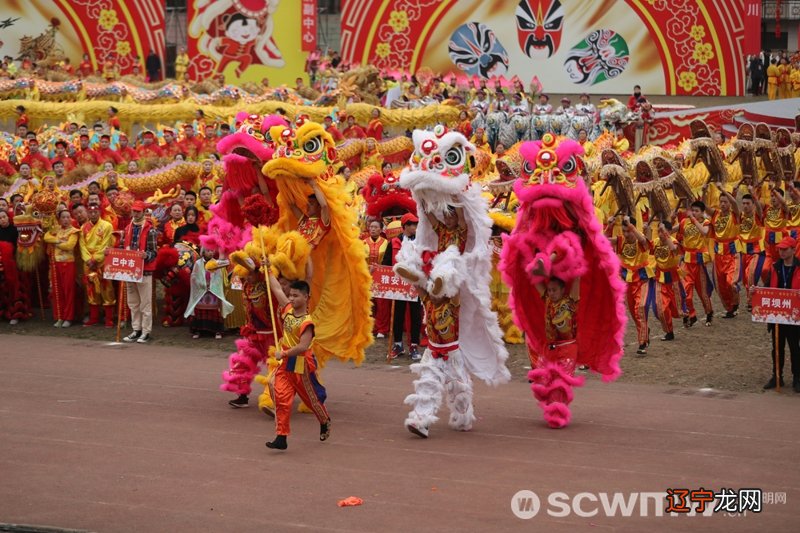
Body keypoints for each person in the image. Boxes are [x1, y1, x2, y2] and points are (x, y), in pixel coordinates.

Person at [264, 276, 331, 451]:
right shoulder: (287, 309)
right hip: (285, 363)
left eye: (296, 296)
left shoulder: (307, 322)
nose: (291, 298)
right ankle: (281, 436)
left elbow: (302, 346)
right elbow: (277, 289)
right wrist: (268, 268)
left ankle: (324, 420)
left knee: (311, 399)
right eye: (291, 295)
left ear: (306, 297)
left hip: (301, 363)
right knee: (281, 397)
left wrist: (283, 352)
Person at [758, 237, 800, 392]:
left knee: (795, 347)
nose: (781, 252)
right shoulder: (775, 267)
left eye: (785, 249)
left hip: (795, 316)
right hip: (777, 315)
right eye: (780, 249)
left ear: (793, 250)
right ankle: (777, 376)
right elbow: (767, 288)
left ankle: (797, 377)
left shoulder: (799, 267)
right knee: (777, 347)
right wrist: (756, 291)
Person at [610, 216, 654, 354]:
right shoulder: (620, 240)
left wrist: (631, 226)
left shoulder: (641, 240)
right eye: (624, 231)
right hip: (627, 281)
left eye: (628, 231)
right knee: (634, 313)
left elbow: (642, 240)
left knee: (639, 309)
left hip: (643, 280)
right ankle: (645, 331)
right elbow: (602, 240)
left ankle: (642, 344)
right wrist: (609, 226)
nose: (626, 234)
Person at [383, 213, 423, 360]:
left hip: (415, 284)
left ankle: (414, 345)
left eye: (416, 224)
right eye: (413, 224)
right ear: (405, 226)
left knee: (415, 316)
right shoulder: (393, 242)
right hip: (398, 285)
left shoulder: (420, 242)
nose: (416, 227)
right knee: (398, 314)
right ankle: (398, 345)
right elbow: (386, 263)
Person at [120, 200, 157, 343]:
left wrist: (146, 256)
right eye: (133, 211)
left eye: (138, 211)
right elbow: (123, 246)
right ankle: (136, 329)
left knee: (145, 303)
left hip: (145, 270)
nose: (135, 214)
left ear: (143, 212)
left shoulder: (150, 230)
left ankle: (146, 331)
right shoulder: (128, 227)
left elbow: (154, 252)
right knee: (133, 302)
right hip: (130, 270)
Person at [705, 185, 741, 318]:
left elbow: (735, 203)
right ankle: (730, 308)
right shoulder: (715, 214)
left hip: (732, 254)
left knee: (730, 282)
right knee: (720, 285)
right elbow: (703, 206)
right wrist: (703, 191)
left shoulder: (735, 215)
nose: (723, 204)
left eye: (725, 202)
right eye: (721, 201)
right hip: (718, 254)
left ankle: (736, 302)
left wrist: (723, 190)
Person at [677, 201, 714, 327]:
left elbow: (704, 232)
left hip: (699, 262)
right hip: (687, 262)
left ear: (702, 212)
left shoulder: (706, 222)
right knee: (685, 292)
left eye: (697, 211)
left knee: (703, 292)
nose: (694, 212)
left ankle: (709, 312)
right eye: (692, 210)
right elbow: (674, 231)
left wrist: (693, 219)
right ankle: (691, 315)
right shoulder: (684, 222)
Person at [80, 204, 117, 327]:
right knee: (91, 289)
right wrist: (88, 259)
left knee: (107, 288)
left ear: (100, 212)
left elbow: (107, 244)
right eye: (91, 212)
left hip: (102, 262)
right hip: (88, 263)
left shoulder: (107, 226)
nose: (93, 214)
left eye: (96, 212)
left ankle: (109, 319)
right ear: (88, 214)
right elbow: (82, 246)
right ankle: (94, 318)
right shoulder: (83, 227)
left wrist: (95, 259)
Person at [184, 247, 233, 339]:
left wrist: (212, 285)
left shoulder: (216, 263)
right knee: (199, 310)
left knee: (214, 310)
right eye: (208, 250)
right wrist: (202, 284)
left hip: (213, 291)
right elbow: (194, 276)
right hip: (201, 290)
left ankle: (217, 331)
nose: (211, 252)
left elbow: (219, 277)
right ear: (203, 252)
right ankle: (198, 330)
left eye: (212, 250)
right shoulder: (198, 263)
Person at [43, 209, 80, 328]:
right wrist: (58, 240)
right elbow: (46, 237)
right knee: (57, 291)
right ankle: (59, 316)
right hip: (55, 264)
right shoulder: (56, 230)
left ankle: (68, 317)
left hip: (68, 264)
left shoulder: (74, 231)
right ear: (59, 219)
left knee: (68, 291)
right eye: (63, 217)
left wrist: (56, 243)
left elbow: (69, 246)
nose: (66, 219)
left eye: (68, 217)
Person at [652, 221, 683, 341]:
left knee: (677, 308)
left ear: (669, 232)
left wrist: (667, 237)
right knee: (661, 308)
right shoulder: (655, 242)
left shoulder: (674, 242)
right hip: (660, 277)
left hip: (673, 278)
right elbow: (645, 245)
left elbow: (675, 250)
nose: (660, 233)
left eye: (662, 231)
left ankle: (685, 315)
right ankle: (669, 331)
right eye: (658, 231)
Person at [739, 191, 766, 310]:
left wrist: (754, 195)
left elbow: (760, 209)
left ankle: (751, 302)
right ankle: (751, 299)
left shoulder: (757, 215)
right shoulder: (740, 216)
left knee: (750, 275)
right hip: (743, 251)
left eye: (748, 203)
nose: (745, 206)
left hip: (756, 251)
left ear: (753, 204)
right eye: (743, 203)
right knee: (745, 279)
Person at [363, 219, 390, 338]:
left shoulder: (386, 243)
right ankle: (369, 327)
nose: (372, 229)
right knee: (368, 302)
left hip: (380, 275)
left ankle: (382, 328)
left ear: (381, 229)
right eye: (371, 227)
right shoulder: (362, 243)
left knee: (382, 303)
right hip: (365, 275)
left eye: (375, 227)